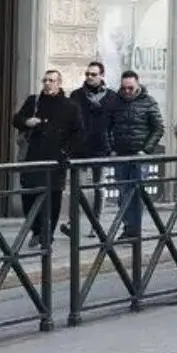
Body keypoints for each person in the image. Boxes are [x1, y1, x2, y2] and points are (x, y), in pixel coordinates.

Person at [12, 69, 82, 248]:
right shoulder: (33, 101)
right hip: (33, 156)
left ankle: (47, 234)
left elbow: (78, 132)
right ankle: (36, 230)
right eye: (45, 80)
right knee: (29, 196)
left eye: (51, 80)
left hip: (56, 159)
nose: (47, 84)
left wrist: (67, 152)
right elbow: (16, 119)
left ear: (59, 83)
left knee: (53, 197)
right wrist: (27, 122)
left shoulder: (70, 106)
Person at [65, 62, 121, 238]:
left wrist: (112, 146)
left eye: (93, 74)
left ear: (102, 76)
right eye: (87, 74)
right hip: (80, 148)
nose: (89, 77)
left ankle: (95, 223)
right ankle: (72, 222)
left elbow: (115, 123)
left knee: (99, 187)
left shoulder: (112, 97)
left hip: (101, 148)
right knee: (76, 187)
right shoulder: (76, 95)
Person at [110, 70, 165, 240]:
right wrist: (111, 148)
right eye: (124, 88)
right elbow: (108, 126)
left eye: (130, 88)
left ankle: (134, 229)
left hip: (139, 155)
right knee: (123, 192)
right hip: (120, 154)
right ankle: (129, 227)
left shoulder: (148, 102)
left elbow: (158, 128)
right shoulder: (115, 102)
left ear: (138, 85)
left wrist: (146, 150)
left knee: (136, 192)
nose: (127, 91)